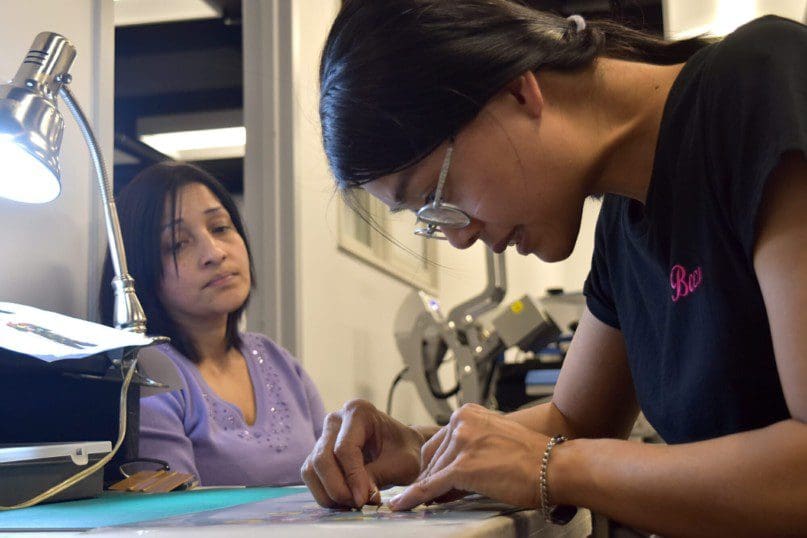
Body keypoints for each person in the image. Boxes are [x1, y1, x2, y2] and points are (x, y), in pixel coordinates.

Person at [303, 1, 807, 535]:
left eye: (437, 194)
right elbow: (573, 420)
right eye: (429, 219)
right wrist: (418, 447)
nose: (458, 235)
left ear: (518, 91)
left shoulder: (759, 86)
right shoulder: (624, 222)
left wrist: (556, 468)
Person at [100, 162, 326, 486]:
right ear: (140, 270)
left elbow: (335, 478)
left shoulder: (278, 360)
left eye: (220, 228)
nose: (214, 253)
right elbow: (173, 518)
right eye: (178, 244)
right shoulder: (150, 376)